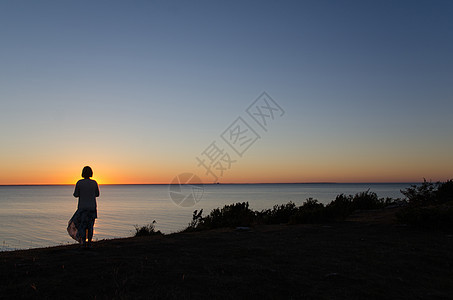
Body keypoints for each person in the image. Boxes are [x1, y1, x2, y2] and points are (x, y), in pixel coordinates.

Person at [67, 166, 100, 248]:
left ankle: (83, 243)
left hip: (82, 208)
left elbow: (76, 195)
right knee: (90, 226)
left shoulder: (79, 182)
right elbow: (97, 194)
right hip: (92, 208)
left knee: (82, 226)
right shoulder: (94, 183)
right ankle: (89, 242)